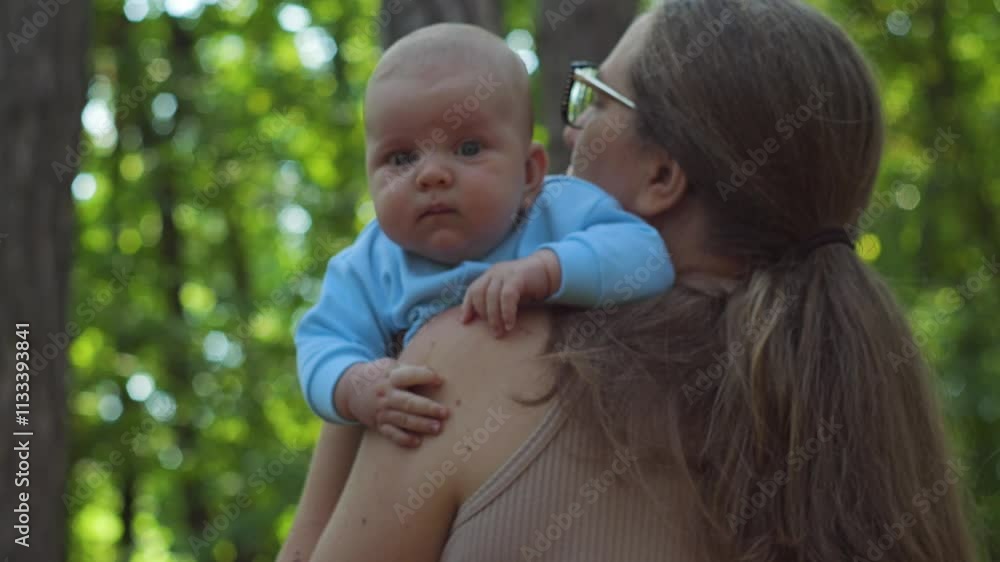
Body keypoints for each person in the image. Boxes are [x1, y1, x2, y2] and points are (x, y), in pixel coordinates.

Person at [279, 1, 978, 560]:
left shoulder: (473, 353)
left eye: (595, 98)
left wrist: (368, 380)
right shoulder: (867, 422)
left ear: (661, 176)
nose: (572, 132)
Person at [294, 23, 673, 447]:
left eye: (468, 149)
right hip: (435, 457)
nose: (431, 174)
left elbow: (648, 256)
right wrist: (355, 385)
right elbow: (323, 343)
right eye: (401, 158)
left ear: (529, 174)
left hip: (563, 445)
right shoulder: (368, 265)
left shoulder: (558, 210)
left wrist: (548, 269)